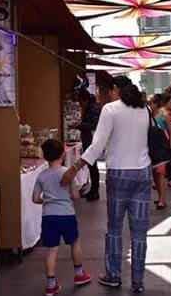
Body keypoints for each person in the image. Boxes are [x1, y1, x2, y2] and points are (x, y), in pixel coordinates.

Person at [61, 76, 150, 293]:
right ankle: (137, 281)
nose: (108, 94)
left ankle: (113, 275)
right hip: (142, 174)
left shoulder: (110, 110)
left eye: (109, 91)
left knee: (115, 228)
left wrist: (75, 168)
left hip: (119, 174)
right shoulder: (143, 109)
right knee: (139, 232)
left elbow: (97, 144)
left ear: (115, 89)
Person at [33, 139, 92, 296]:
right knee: (74, 243)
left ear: (45, 156)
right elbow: (75, 195)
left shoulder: (41, 176)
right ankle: (79, 275)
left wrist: (47, 200)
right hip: (67, 215)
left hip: (49, 217)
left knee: (52, 250)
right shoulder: (67, 173)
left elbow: (35, 198)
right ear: (62, 154)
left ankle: (51, 284)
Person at [74, 89, 101, 201]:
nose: (80, 104)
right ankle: (94, 191)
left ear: (84, 100)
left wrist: (80, 125)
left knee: (92, 166)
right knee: (92, 166)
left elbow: (93, 125)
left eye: (80, 102)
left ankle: (94, 192)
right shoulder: (91, 107)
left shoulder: (93, 108)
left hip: (91, 140)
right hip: (89, 139)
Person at [148, 93, 171, 210]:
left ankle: (162, 199)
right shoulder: (149, 114)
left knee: (161, 173)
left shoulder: (164, 115)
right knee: (155, 174)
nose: (150, 104)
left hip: (162, 146)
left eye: (151, 102)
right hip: (153, 146)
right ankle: (160, 196)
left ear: (156, 103)